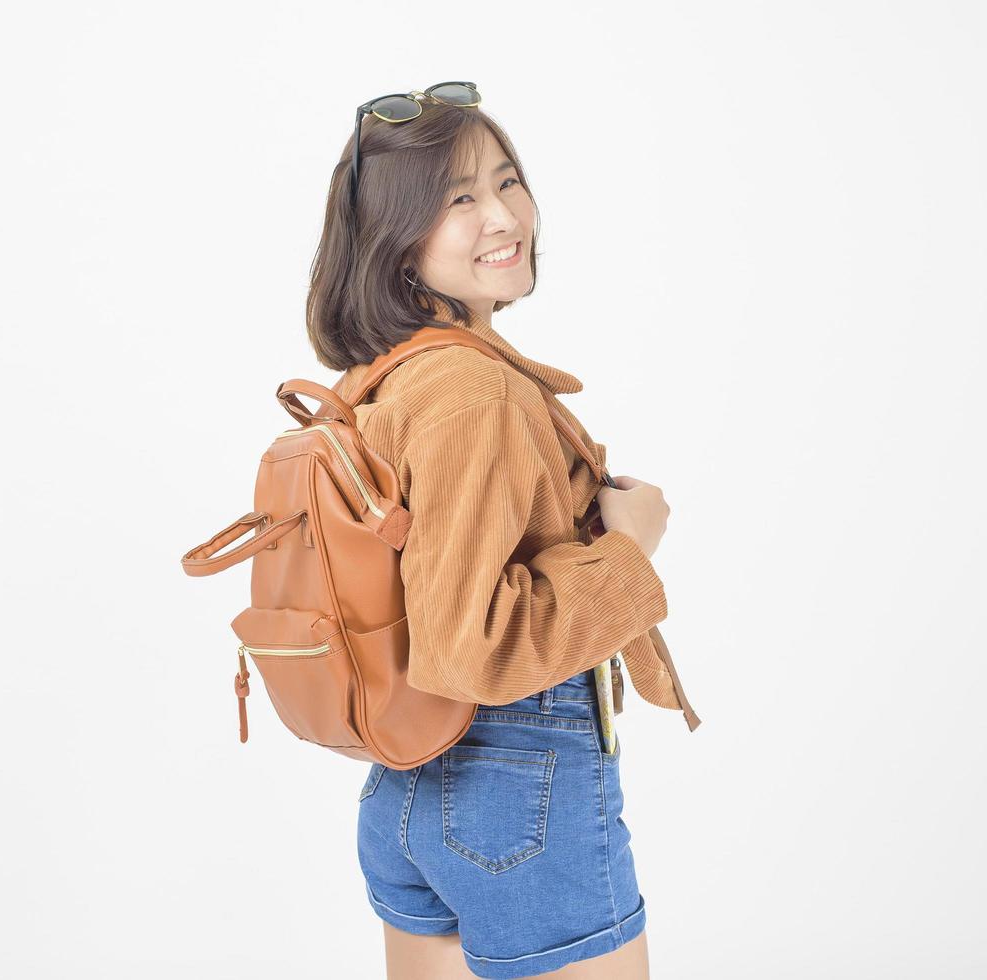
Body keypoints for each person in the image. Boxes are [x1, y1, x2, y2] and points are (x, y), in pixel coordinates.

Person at [309, 84, 693, 980]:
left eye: (507, 180)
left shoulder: (390, 380)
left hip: (409, 783)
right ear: (398, 244)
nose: (504, 215)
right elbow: (467, 644)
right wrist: (629, 548)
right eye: (459, 199)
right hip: (520, 786)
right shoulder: (471, 393)